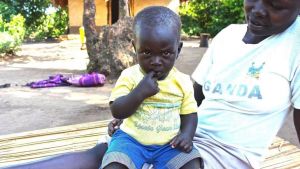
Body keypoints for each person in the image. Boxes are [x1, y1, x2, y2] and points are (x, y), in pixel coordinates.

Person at [4, 0, 300, 168]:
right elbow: (191, 95)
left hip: (222, 155)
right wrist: (137, 113)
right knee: (103, 156)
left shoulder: (295, 46)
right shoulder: (229, 35)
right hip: (173, 132)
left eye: (276, 5)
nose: (259, 10)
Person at [101, 6, 201, 169]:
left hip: (170, 145)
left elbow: (189, 114)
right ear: (135, 47)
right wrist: (139, 93)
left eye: (166, 53)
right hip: (130, 141)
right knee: (114, 165)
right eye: (147, 53)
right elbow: (117, 111)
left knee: (192, 164)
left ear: (178, 50)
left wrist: (186, 135)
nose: (156, 61)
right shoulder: (130, 76)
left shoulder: (182, 81)